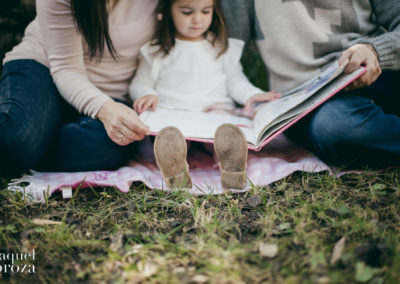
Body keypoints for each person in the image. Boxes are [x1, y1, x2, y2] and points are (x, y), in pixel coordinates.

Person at [221, 0, 400, 169]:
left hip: (378, 72)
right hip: (305, 102)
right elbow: (225, 52)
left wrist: (376, 51)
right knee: (338, 128)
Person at [129, 0, 280, 189]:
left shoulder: (220, 46)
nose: (197, 20)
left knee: (224, 130)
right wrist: (147, 93)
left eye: (205, 12)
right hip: (174, 111)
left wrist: (252, 94)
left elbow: (235, 80)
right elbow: (140, 83)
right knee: (170, 135)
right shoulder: (157, 50)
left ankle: (231, 165)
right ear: (168, 11)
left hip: (213, 109)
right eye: (187, 12)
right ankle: (175, 169)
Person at [0, 0, 158, 177]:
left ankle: (38, 138)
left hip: (110, 91)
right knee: (13, 139)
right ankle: (29, 141)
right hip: (45, 69)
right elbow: (66, 67)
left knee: (112, 143)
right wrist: (106, 110)